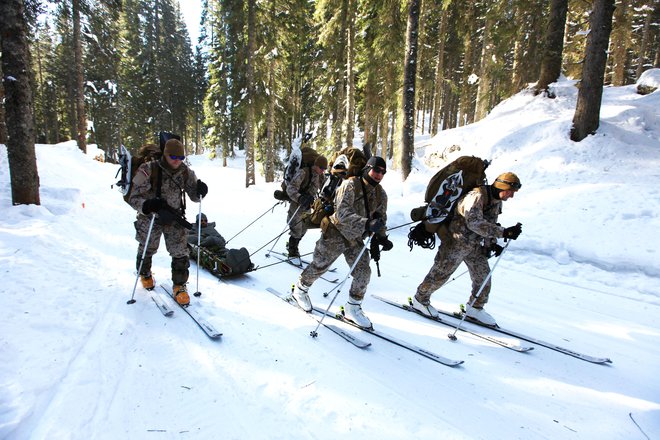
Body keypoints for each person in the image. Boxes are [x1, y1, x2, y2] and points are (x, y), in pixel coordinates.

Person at [292, 156, 393, 329]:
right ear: (368, 168)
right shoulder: (350, 185)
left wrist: (382, 236)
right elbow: (342, 214)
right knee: (319, 266)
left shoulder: (380, 194)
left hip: (355, 238)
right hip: (335, 232)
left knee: (363, 272)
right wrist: (367, 223)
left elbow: (381, 217)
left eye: (383, 172)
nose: (379, 175)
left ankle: (353, 307)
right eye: (376, 170)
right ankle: (300, 290)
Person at [410, 172, 523, 326]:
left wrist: (492, 243)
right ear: (502, 186)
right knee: (441, 273)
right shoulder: (476, 196)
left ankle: (475, 307)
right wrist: (503, 232)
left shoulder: (496, 201)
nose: (511, 196)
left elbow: (489, 222)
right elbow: (474, 223)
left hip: (475, 246)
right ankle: (420, 299)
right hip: (456, 241)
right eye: (510, 191)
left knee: (483, 278)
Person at [129, 138, 208, 306]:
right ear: (165, 155)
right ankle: (145, 273)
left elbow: (194, 196)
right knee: (147, 247)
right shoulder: (148, 169)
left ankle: (179, 286)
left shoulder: (186, 172)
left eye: (181, 157)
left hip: (174, 217)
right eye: (173, 157)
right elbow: (132, 195)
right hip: (150, 217)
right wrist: (146, 205)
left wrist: (201, 191)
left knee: (180, 251)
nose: (177, 161)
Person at [285, 155, 328, 262]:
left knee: (304, 228)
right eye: (321, 168)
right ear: (316, 165)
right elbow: (290, 188)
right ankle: (292, 251)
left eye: (324, 169)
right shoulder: (303, 172)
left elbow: (324, 188)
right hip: (297, 204)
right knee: (296, 227)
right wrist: (300, 198)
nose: (322, 171)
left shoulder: (320, 176)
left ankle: (293, 245)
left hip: (307, 205)